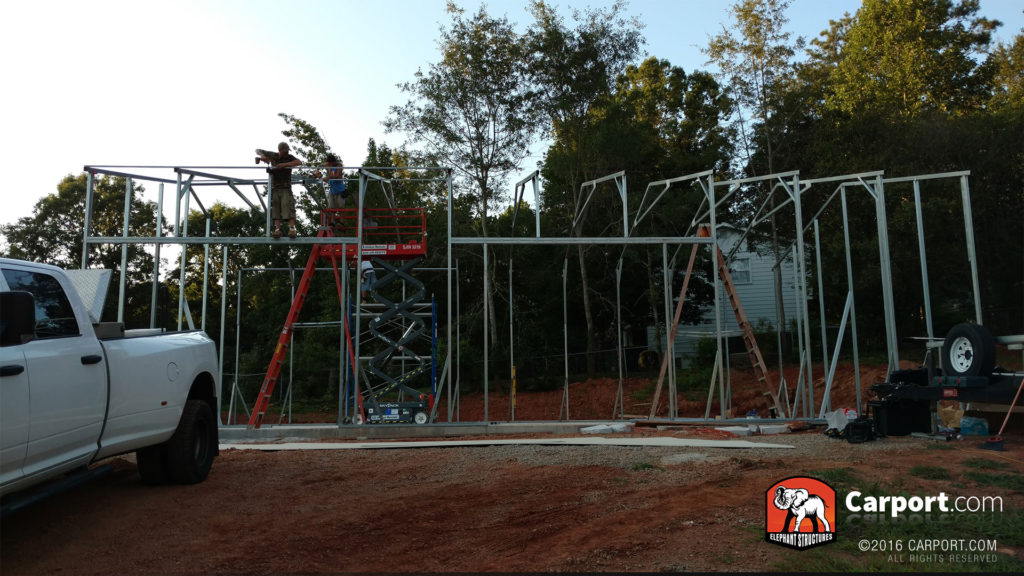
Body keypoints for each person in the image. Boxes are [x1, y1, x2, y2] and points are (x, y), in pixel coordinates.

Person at [255, 142, 302, 238]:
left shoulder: (289, 157)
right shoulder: (273, 155)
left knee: (288, 207)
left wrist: (284, 165)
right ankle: (277, 230)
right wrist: (263, 156)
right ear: (280, 150)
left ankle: (292, 229)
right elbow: (257, 150)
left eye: (287, 151)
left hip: (286, 187)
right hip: (275, 187)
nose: (286, 153)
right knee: (275, 208)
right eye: (285, 151)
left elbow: (299, 162)